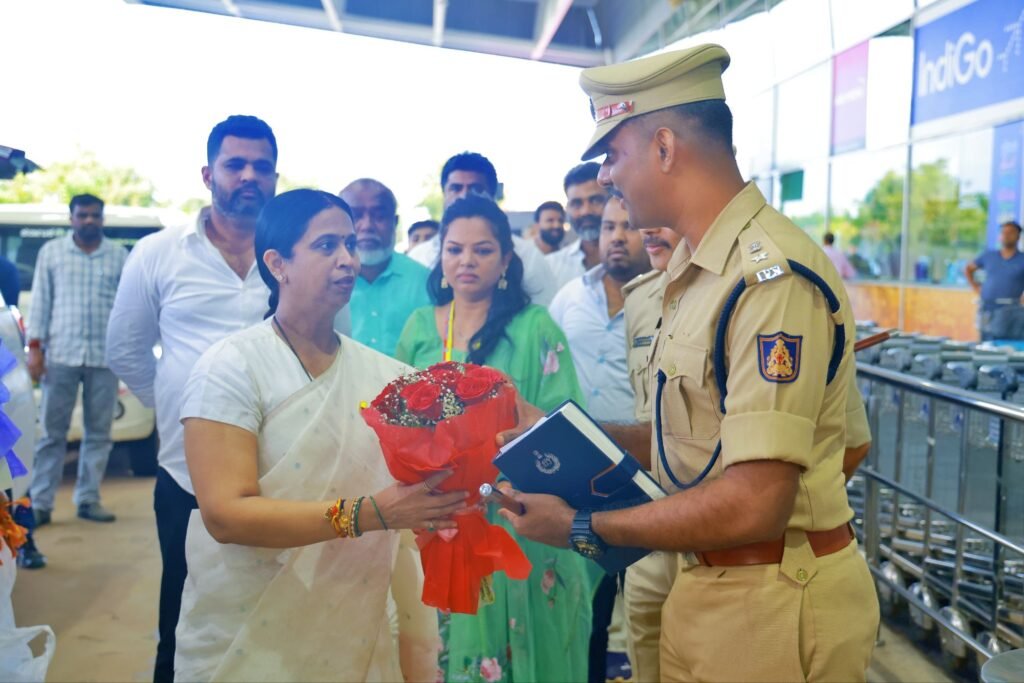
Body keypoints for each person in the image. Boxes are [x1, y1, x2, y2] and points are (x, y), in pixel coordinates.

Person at [500, 44, 879, 682]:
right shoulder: (695, 273)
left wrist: (583, 527)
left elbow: (756, 501)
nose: (607, 178)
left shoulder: (768, 280)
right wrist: (556, 433)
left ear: (665, 147)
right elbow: (691, 443)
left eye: (612, 155)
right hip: (708, 585)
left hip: (772, 600)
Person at [174, 189, 462, 682]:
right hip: (252, 629)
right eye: (327, 245)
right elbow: (225, 514)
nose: (347, 259)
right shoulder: (230, 367)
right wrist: (370, 514)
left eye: (349, 244)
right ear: (277, 264)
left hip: (356, 620)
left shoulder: (385, 377)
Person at [106, 115, 279, 683]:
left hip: (283, 470)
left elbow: (330, 341)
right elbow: (126, 349)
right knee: (184, 616)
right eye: (235, 165)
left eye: (261, 167)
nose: (248, 176)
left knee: (275, 615)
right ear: (208, 174)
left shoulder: (295, 255)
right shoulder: (159, 253)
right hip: (186, 474)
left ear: (275, 179)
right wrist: (188, 412)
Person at [395, 195, 595, 683]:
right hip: (441, 519)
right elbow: (398, 421)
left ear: (506, 260)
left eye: (482, 250)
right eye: (454, 249)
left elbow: (566, 429)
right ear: (440, 257)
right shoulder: (420, 327)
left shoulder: (536, 328)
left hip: (517, 518)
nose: (466, 261)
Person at [549, 195, 650, 682]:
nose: (616, 237)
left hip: (647, 474)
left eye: (628, 226)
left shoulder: (665, 298)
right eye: (610, 227)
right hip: (582, 476)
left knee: (649, 604)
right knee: (589, 608)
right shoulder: (569, 297)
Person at [27, 193, 127, 525]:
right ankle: (41, 503)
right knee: (51, 434)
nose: (89, 220)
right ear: (71, 218)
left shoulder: (119, 256)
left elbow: (127, 308)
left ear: (102, 218)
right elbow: (40, 303)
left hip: (105, 357)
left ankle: (88, 499)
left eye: (95, 215)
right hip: (61, 356)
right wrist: (35, 349)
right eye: (82, 215)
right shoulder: (52, 252)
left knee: (99, 433)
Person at [407, 152, 560, 306]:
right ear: (444, 194)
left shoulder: (528, 256)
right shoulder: (419, 257)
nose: (464, 195)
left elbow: (546, 308)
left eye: (476, 189)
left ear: (492, 196)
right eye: (455, 188)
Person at [339, 178, 430, 357]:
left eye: (379, 216)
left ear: (395, 222)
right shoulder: (323, 282)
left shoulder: (425, 281)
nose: (367, 226)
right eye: (355, 216)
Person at [546, 163, 608, 293]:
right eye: (576, 203)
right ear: (567, 208)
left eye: (595, 200)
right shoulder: (551, 266)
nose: (586, 211)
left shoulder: (641, 258)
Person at [966, 220, 1024, 340]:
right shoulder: (989, 256)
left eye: (1010, 232)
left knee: (1004, 345)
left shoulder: (1022, 259)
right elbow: (968, 269)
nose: (1006, 235)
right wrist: (976, 287)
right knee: (984, 344)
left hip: (1010, 311)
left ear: (1018, 236)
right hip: (986, 308)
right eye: (1004, 232)